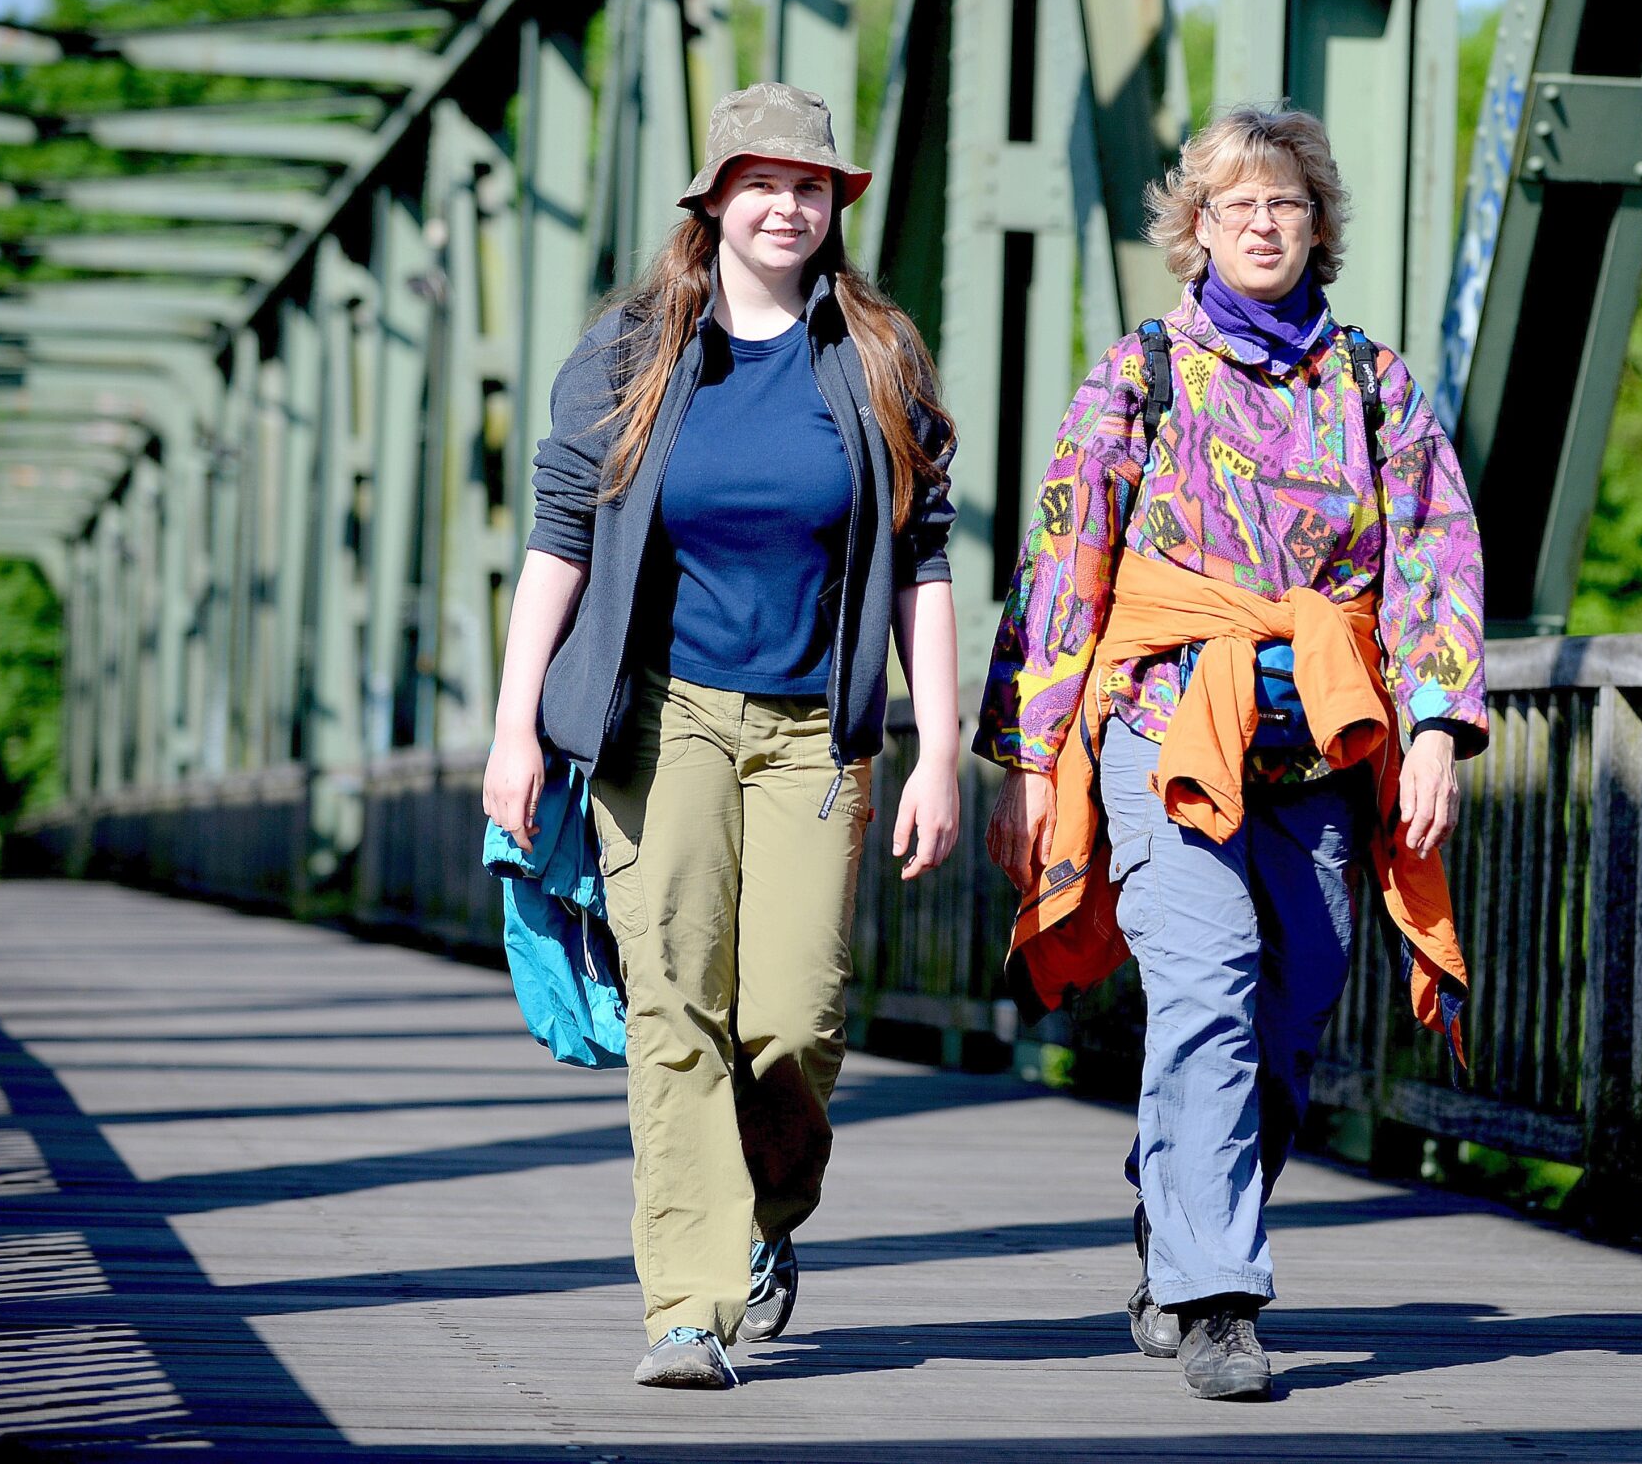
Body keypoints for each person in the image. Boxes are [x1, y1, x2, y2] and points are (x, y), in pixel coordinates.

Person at [977, 104, 1487, 1401]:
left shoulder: (1371, 381)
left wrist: (1434, 726)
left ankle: (1177, 1206)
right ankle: (1217, 1296)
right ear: (1194, 232)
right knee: (1206, 988)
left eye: (1287, 204)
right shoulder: (1140, 373)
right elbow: (1063, 565)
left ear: (1320, 226)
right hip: (1164, 729)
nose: (1263, 224)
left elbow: (1437, 552)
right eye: (1236, 205)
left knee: (1296, 1003)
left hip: (1319, 744)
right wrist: (1035, 762)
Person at [482, 81, 960, 1392]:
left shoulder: (875, 355)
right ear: (715, 200)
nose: (787, 205)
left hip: (820, 728)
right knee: (675, 1004)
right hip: (663, 716)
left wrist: (938, 745)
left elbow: (925, 557)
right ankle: (687, 1305)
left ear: (833, 207)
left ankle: (762, 1219)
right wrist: (514, 724)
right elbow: (560, 540)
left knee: (796, 1019)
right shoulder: (632, 350)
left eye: (809, 187)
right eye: (762, 182)